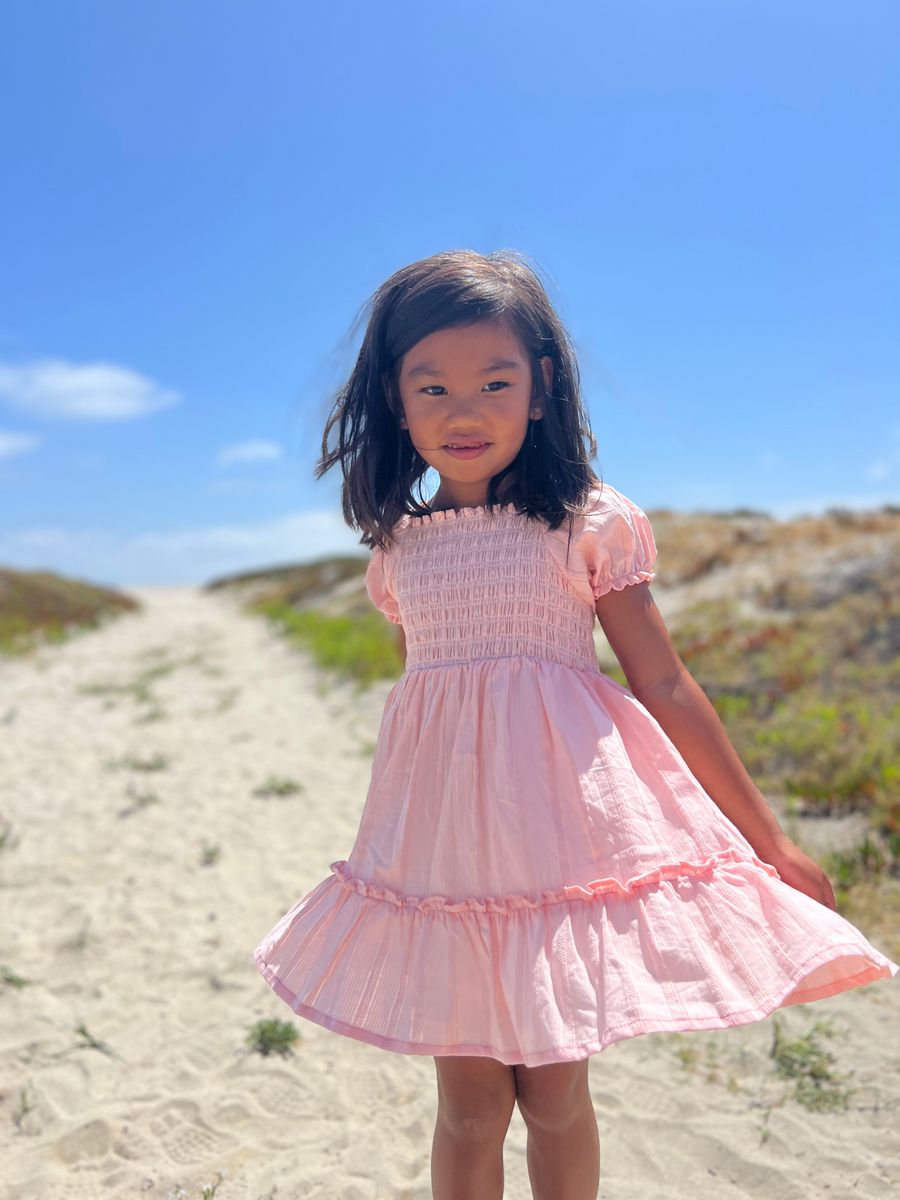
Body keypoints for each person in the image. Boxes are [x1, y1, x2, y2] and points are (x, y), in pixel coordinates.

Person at [253, 248, 898, 1200]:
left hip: (562, 846)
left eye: (494, 382)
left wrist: (770, 840)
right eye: (432, 387)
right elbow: (430, 710)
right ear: (395, 399)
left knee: (555, 1097)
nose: (464, 411)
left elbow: (664, 682)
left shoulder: (588, 522)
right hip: (448, 859)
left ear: (542, 387)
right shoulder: (399, 552)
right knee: (470, 1106)